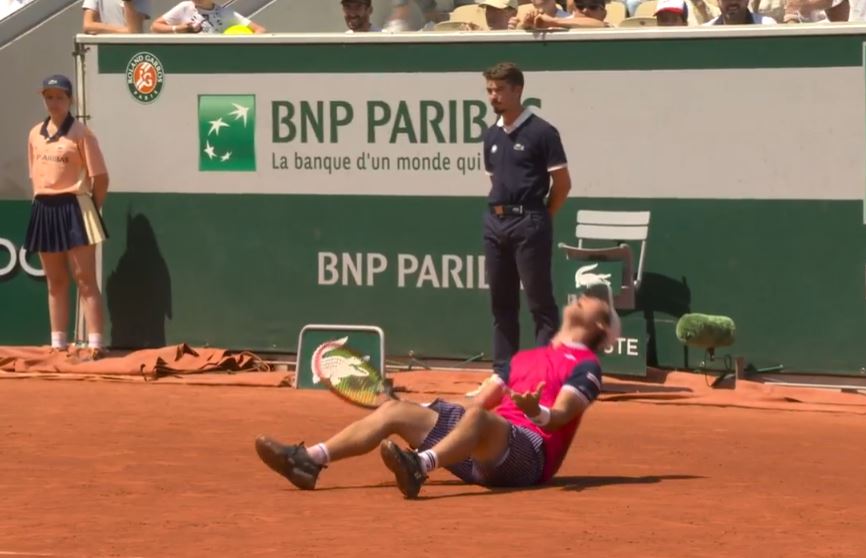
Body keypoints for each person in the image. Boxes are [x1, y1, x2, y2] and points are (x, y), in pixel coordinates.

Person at [255, 284, 620, 498]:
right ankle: (309, 461)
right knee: (396, 412)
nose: (583, 297)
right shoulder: (524, 359)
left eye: (593, 301)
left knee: (480, 419)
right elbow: (474, 402)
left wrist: (534, 411)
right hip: (478, 447)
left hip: (529, 457)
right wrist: (421, 405)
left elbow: (559, 417)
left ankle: (419, 466)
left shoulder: (587, 365)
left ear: (601, 325)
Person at [481, 62, 572, 377]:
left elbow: (563, 185)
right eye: (489, 90)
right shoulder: (491, 134)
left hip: (529, 221)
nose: (493, 96)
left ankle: (546, 372)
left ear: (517, 90)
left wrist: (541, 218)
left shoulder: (542, 132)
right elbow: (495, 180)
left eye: (499, 90)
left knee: (539, 303)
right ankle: (503, 373)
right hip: (495, 223)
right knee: (501, 302)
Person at [24, 75, 110, 360]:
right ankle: (58, 342)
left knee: (85, 279)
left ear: (70, 100)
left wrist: (91, 210)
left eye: (59, 97)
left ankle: (96, 343)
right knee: (55, 280)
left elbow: (101, 178)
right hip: (44, 207)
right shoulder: (34, 134)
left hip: (76, 207)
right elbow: (34, 175)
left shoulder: (82, 134)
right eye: (49, 97)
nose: (54, 102)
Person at [151, 0, 266, 33]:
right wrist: (177, 28)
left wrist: (241, 46)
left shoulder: (225, 13)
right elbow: (155, 26)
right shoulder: (185, 7)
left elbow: (260, 30)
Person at [82, 0, 152, 34]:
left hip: (131, 49)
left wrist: (128, 2)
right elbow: (87, 26)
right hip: (103, 47)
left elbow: (135, 32)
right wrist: (124, 31)